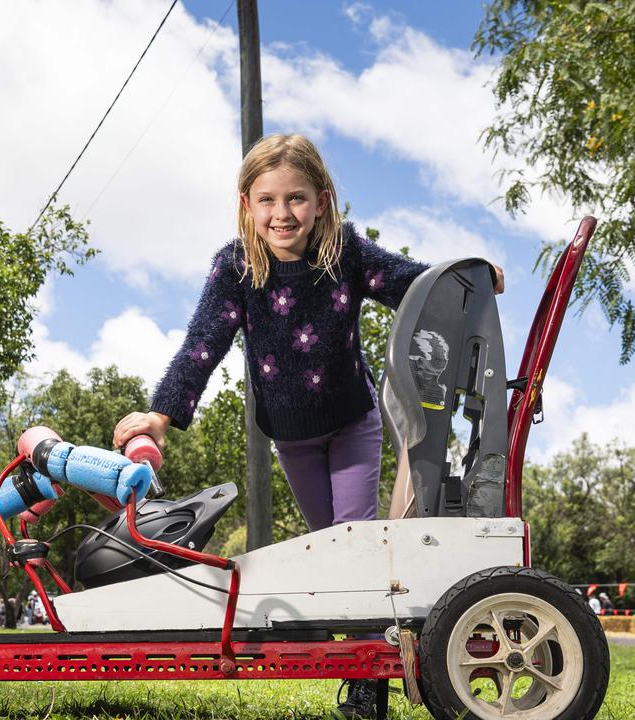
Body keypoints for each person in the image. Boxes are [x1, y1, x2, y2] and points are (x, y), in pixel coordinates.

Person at [111, 133, 503, 719]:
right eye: (267, 200)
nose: (282, 213)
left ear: (321, 200)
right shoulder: (236, 267)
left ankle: (367, 684)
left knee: (357, 544)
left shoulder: (344, 253)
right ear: (247, 204)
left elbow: (413, 287)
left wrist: (468, 277)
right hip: (288, 434)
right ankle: (362, 656)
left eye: (296, 198)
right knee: (331, 553)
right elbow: (202, 345)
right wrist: (160, 416)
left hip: (351, 422)